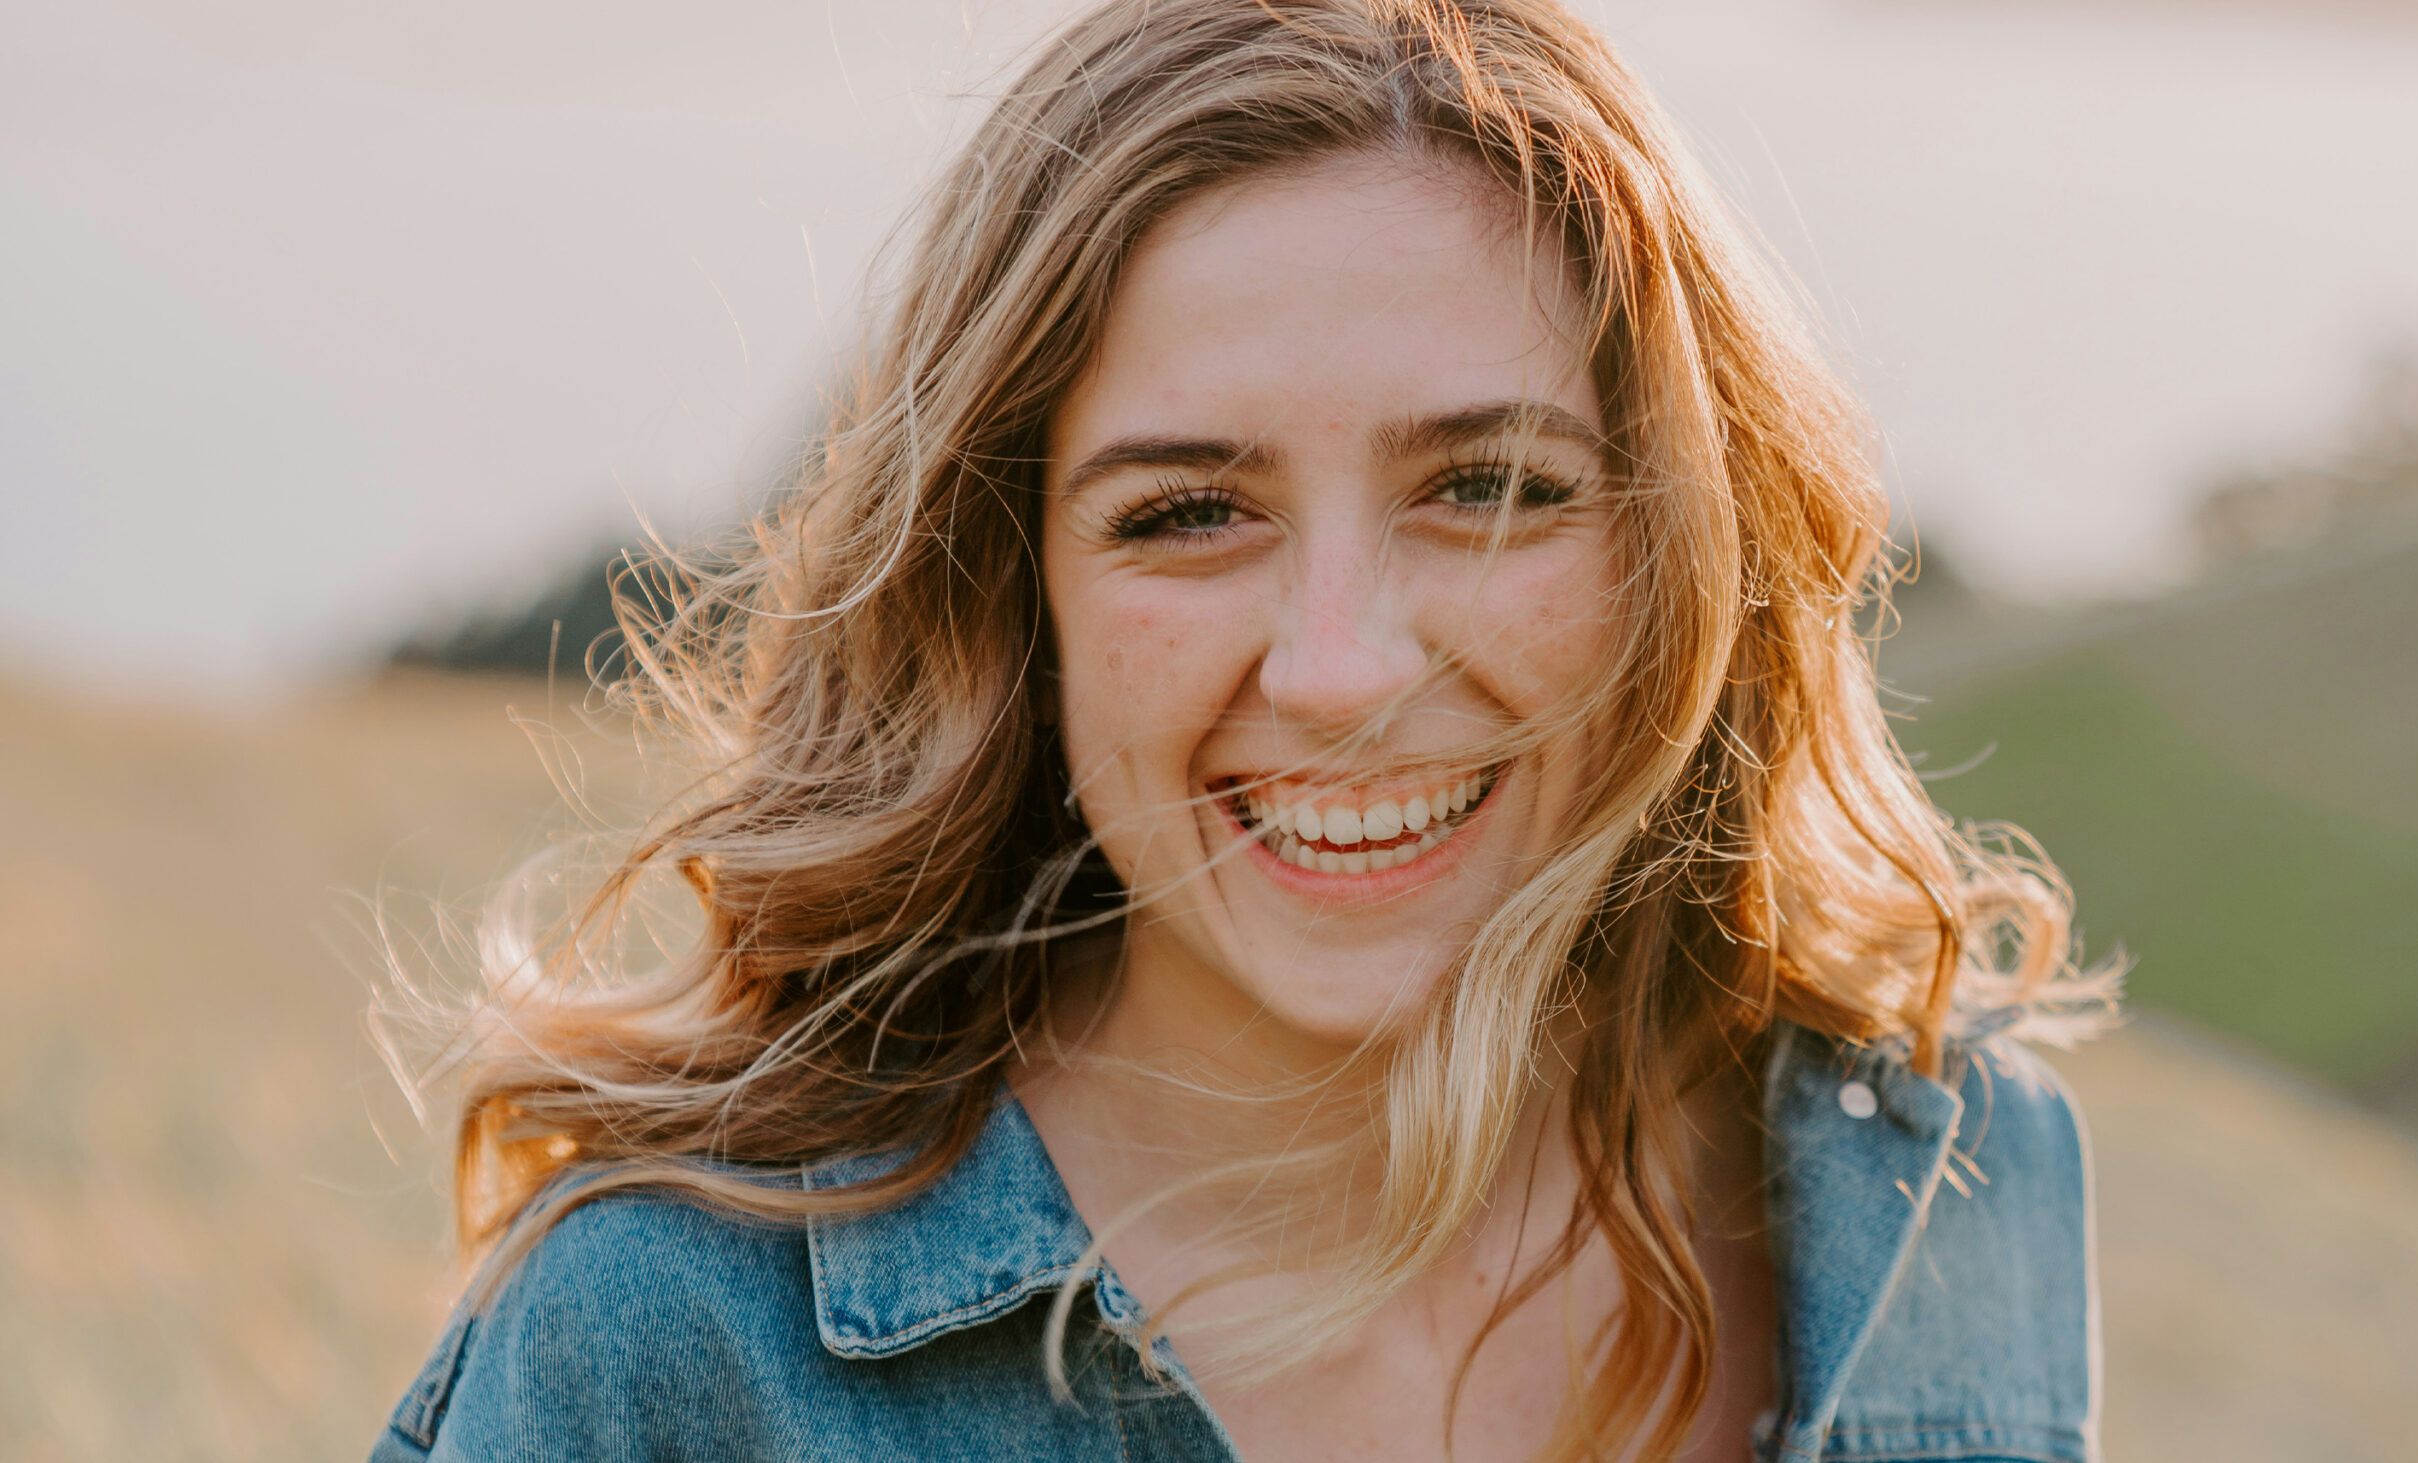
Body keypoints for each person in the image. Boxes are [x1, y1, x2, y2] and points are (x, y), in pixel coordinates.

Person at [370, 1, 2125, 1459]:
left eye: (1489, 487)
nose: (1342, 670)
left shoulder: (1944, 1190)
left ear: (1679, 548)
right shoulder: (675, 1351)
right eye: (1189, 512)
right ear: (1014, 594)